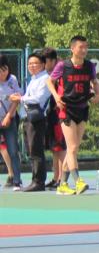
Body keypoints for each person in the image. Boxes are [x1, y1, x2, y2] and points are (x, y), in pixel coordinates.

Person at [46, 35, 99, 196]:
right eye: (81, 47)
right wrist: (56, 96)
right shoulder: (63, 66)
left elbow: (95, 82)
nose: (84, 50)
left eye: (86, 47)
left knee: (74, 148)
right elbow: (49, 82)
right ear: (72, 48)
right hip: (66, 109)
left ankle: (62, 185)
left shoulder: (89, 66)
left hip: (82, 108)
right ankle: (78, 181)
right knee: (71, 147)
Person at [10, 51, 50, 191]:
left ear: (43, 65)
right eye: (30, 64)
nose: (32, 66)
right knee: (31, 150)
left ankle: (38, 182)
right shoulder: (34, 79)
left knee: (36, 150)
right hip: (29, 117)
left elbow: (38, 98)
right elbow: (29, 97)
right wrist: (21, 97)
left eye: (35, 63)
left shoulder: (45, 79)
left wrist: (20, 98)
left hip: (36, 119)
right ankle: (35, 180)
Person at [40, 47, 65, 189]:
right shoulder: (50, 74)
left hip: (59, 114)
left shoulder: (62, 71)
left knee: (60, 147)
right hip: (51, 114)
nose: (43, 65)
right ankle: (56, 178)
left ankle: (62, 179)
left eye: (45, 61)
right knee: (54, 148)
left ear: (52, 60)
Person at [0, 55, 23, 191]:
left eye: (5, 69)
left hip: (9, 119)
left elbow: (18, 98)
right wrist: (8, 96)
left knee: (13, 150)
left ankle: (17, 181)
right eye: (0, 70)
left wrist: (8, 116)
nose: (3, 73)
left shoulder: (12, 80)